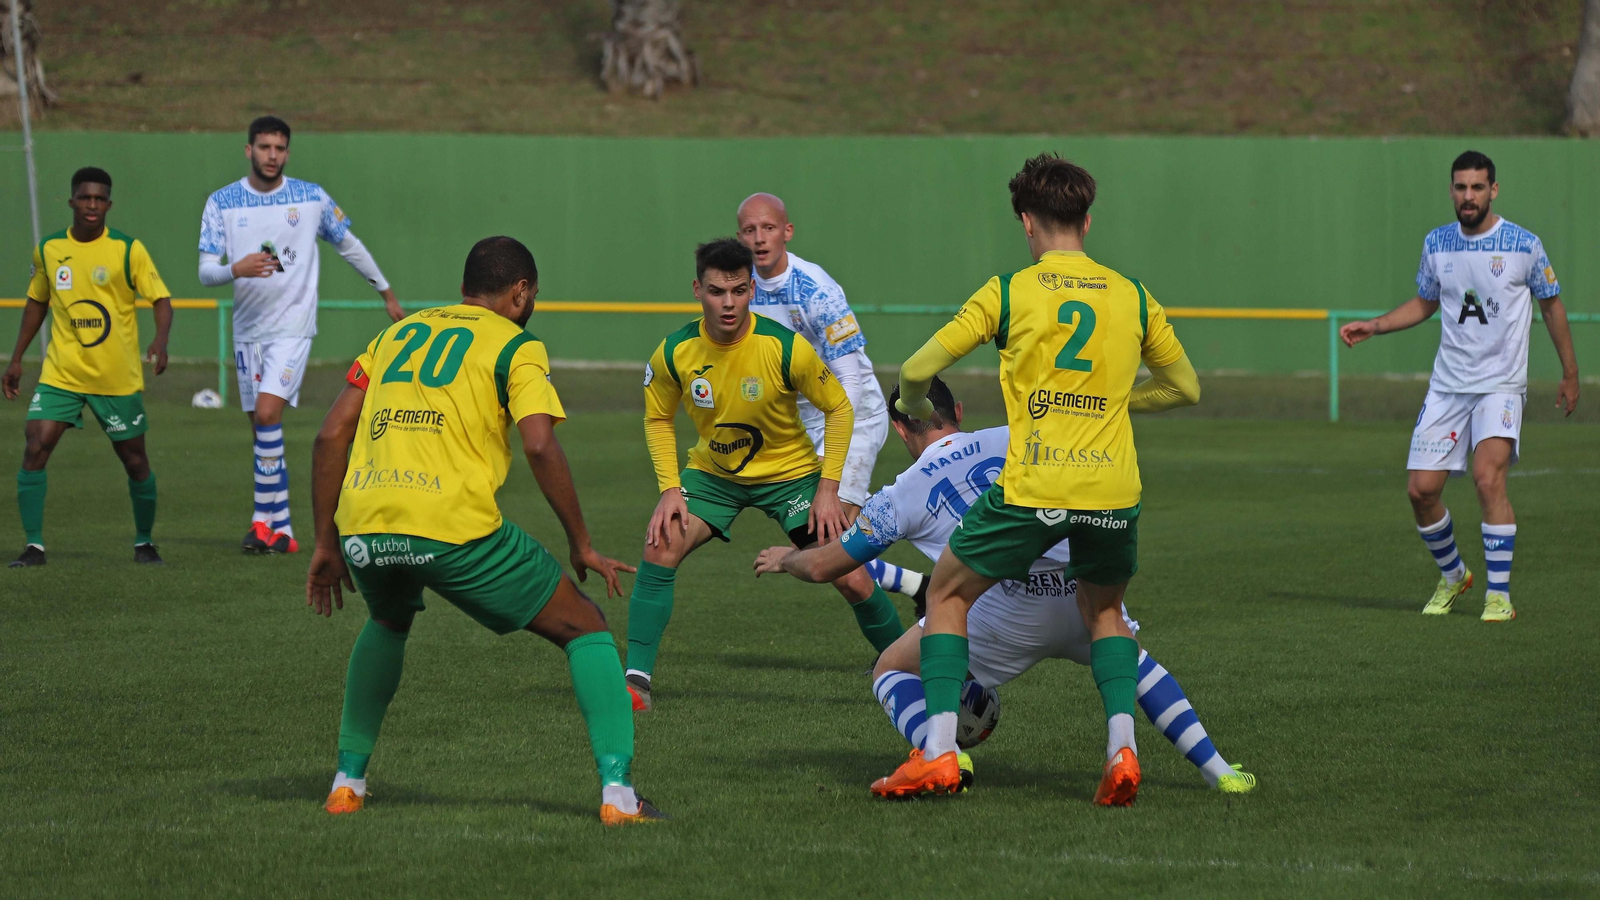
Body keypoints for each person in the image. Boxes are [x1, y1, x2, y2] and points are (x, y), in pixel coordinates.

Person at [304, 236, 663, 825]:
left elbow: (328, 435)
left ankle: (347, 783)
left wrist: (324, 543)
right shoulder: (516, 346)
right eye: (534, 295)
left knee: (388, 621)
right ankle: (620, 797)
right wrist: (581, 543)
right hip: (452, 527)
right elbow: (540, 443)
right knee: (587, 628)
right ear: (520, 291)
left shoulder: (395, 334)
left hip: (365, 527)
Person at [752, 378, 1254, 796]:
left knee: (891, 668)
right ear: (959, 412)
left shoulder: (901, 491)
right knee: (1133, 658)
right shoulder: (1017, 436)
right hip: (1075, 588)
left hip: (1000, 611)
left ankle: (942, 751)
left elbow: (826, 566)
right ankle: (1219, 771)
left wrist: (788, 558)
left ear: (900, 428)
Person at [885, 153, 1201, 805]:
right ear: (1087, 220)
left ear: (1027, 222)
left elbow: (918, 369)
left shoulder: (1008, 292)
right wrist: (1118, 403)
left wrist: (915, 406)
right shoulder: (1134, 295)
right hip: (1114, 488)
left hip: (1034, 487)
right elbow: (1185, 387)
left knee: (947, 593)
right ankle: (1121, 751)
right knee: (1106, 612)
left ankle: (940, 753)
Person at [623, 238, 904, 711]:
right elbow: (656, 418)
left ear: (752, 288)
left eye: (737, 290)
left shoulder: (785, 347)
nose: (728, 303)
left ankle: (903, 664)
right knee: (661, 544)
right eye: (716, 291)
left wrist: (828, 490)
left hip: (790, 477)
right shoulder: (674, 353)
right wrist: (670, 490)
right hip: (713, 476)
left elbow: (838, 407)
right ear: (697, 290)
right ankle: (635, 684)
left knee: (849, 575)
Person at [1341, 151, 1579, 624]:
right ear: (1451, 190)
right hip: (1448, 385)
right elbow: (1426, 302)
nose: (1467, 196)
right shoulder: (1437, 243)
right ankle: (1454, 576)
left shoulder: (1523, 245)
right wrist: (1378, 325)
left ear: (1493, 190)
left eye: (1477, 187)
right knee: (1420, 491)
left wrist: (1570, 373)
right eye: (1460, 187)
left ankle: (1498, 596)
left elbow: (1551, 305)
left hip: (1501, 385)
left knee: (1487, 476)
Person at [198, 115, 404, 555]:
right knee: (261, 430)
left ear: (288, 152)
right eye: (264, 147)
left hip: (292, 329)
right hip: (246, 332)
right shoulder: (222, 202)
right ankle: (285, 530)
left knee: (269, 415)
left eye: (280, 148)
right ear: (248, 150)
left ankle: (259, 522)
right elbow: (204, 272)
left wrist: (385, 292)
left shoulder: (311, 199)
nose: (272, 155)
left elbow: (348, 243)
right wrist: (237, 268)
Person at [4, 167, 173, 567]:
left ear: (109, 204)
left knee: (135, 461)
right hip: (61, 373)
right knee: (35, 446)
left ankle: (145, 542)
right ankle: (34, 547)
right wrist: (15, 359)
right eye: (85, 197)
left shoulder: (127, 250)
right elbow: (37, 302)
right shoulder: (48, 249)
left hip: (115, 378)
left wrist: (160, 340)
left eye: (99, 199)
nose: (92, 204)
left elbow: (161, 300)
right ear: (72, 202)